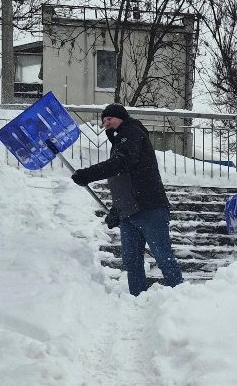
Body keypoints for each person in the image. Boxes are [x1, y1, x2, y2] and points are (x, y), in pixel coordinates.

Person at [70, 104, 184, 297]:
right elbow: (124, 182)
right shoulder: (119, 142)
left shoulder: (132, 132)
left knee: (163, 256)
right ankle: (137, 298)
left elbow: (122, 163)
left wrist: (88, 174)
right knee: (132, 262)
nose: (106, 124)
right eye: (104, 120)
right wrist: (117, 210)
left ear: (121, 118)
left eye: (110, 119)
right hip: (129, 212)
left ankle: (182, 298)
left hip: (149, 208)